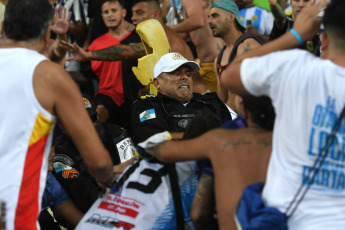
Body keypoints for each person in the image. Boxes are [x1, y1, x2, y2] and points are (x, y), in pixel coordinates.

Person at [220, 0, 345, 228]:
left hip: (287, 219)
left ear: (323, 40)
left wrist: (295, 35)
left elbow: (230, 77)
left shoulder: (296, 67)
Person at [0, 0, 114, 229]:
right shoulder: (51, 77)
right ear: (45, 34)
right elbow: (98, 162)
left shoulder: (45, 73)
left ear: (2, 27)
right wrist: (111, 181)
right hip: (12, 210)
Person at [142, 94, 274, 229]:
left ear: (245, 111)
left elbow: (197, 215)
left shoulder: (219, 139)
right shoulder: (290, 140)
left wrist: (146, 148)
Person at [61, 0, 209, 94]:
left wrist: (89, 55)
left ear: (156, 14)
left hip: (196, 100)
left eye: (140, 13)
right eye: (133, 13)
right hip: (185, 97)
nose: (133, 18)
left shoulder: (163, 35)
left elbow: (127, 51)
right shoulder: (161, 35)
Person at [130, 52, 232, 143]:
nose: (185, 77)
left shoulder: (210, 103)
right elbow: (154, 143)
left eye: (188, 74)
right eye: (176, 73)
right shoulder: (146, 107)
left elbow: (232, 135)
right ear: (157, 83)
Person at [88, 0, 144, 128]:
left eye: (114, 10)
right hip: (109, 96)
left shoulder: (138, 38)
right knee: (98, 117)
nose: (109, 15)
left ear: (124, 13)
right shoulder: (96, 45)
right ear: (101, 16)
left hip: (138, 96)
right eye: (106, 12)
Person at [209, 0, 263, 117]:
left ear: (231, 17)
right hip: (235, 120)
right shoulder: (219, 58)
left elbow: (241, 95)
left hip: (256, 119)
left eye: (215, 16)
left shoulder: (248, 46)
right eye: (209, 17)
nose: (209, 21)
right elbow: (222, 101)